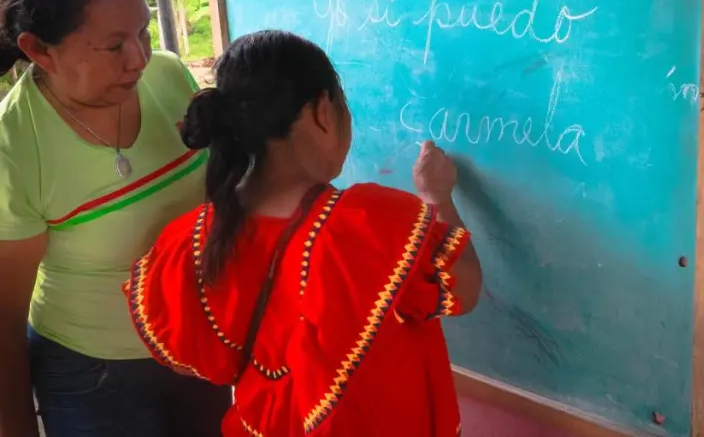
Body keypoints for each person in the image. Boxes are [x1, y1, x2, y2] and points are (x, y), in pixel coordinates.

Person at [124, 30, 483, 436]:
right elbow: (463, 288)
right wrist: (436, 197)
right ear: (323, 111)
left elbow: (183, 356)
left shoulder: (190, 239)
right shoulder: (369, 227)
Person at [0, 0, 231, 436]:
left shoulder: (169, 77)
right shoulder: (14, 145)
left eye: (144, 33)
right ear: (40, 50)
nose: (140, 59)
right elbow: (4, 317)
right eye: (113, 46)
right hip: (92, 376)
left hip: (197, 346)